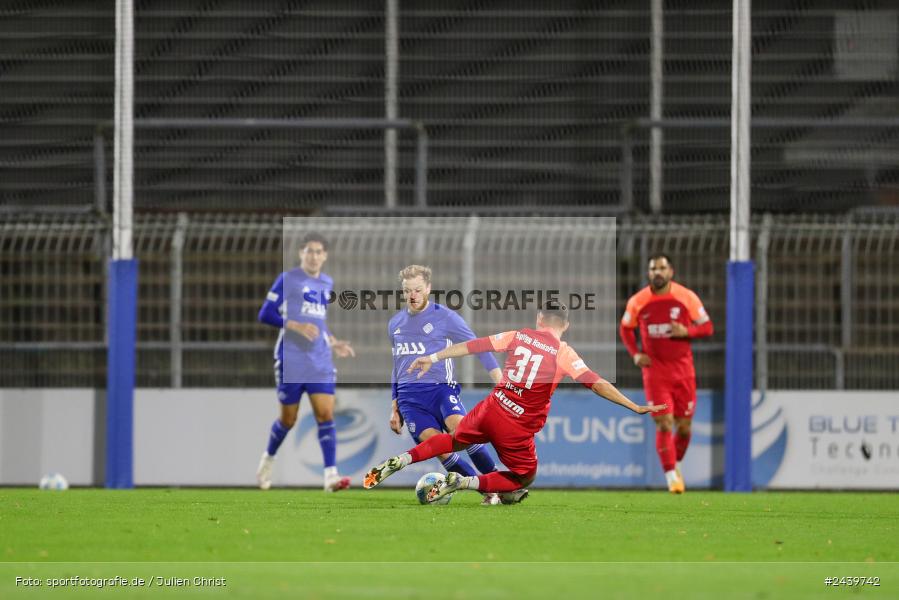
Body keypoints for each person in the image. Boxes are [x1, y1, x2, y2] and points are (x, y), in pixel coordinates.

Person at [363, 303, 664, 501]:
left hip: (491, 407)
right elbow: (596, 383)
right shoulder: (564, 352)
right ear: (566, 325)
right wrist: (634, 406)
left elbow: (473, 346)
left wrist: (433, 356)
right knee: (523, 477)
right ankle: (463, 482)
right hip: (516, 426)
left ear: (538, 320)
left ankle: (402, 460)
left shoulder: (518, 335)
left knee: (452, 440)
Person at [389, 265, 510, 504]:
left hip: (441, 391)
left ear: (428, 289)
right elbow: (397, 366)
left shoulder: (445, 317)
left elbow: (478, 346)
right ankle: (487, 491)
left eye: (418, 289)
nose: (412, 295)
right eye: (407, 290)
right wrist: (393, 405)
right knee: (441, 450)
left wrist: (499, 380)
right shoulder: (395, 324)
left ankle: (500, 482)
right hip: (410, 400)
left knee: (462, 432)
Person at [256, 232, 356, 492]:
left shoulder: (326, 282)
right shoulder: (288, 279)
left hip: (319, 360)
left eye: (318, 251)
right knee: (288, 420)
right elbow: (265, 314)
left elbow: (319, 321)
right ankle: (268, 459)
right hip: (291, 358)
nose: (313, 256)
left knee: (325, 413)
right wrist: (294, 325)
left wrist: (332, 341)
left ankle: (330, 476)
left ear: (325, 256)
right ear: (301, 253)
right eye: (308, 251)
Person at [619, 254, 713, 494]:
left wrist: (687, 331)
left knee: (683, 427)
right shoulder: (638, 301)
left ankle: (675, 463)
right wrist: (635, 353)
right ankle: (672, 477)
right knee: (664, 423)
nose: (657, 272)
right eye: (653, 269)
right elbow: (626, 328)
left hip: (683, 372)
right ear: (649, 273)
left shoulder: (686, 297)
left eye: (662, 268)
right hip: (655, 373)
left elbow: (707, 327)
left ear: (671, 271)